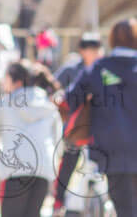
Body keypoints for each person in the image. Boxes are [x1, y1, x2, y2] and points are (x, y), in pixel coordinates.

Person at [66, 18, 137, 217]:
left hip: (111, 151)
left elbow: (71, 99)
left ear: (112, 39)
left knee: (124, 209)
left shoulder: (99, 68)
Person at [0, 59, 62, 217]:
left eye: (5, 78)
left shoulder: (5, 103)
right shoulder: (48, 104)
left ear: (15, 81)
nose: (4, 83)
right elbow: (58, 140)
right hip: (43, 169)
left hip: (14, 170)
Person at [51, 32, 103, 216]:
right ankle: (58, 201)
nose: (95, 52)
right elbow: (55, 88)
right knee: (68, 165)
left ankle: (97, 202)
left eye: (97, 48)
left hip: (98, 127)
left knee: (99, 165)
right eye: (91, 49)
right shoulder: (72, 70)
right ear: (82, 50)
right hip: (75, 128)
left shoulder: (103, 69)